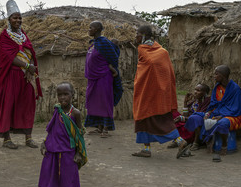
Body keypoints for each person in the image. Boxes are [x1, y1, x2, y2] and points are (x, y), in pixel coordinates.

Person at [0, 0, 42, 149]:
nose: (18, 20)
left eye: (19, 18)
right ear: (9, 19)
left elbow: (29, 51)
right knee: (8, 105)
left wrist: (30, 69)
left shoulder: (24, 36)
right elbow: (8, 57)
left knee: (28, 104)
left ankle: (28, 137)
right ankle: (6, 139)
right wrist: (26, 65)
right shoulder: (4, 36)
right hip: (11, 75)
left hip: (26, 76)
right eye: (15, 18)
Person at [132, 25, 189, 158]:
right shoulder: (163, 51)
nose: (136, 37)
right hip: (160, 92)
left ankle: (180, 141)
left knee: (157, 120)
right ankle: (146, 149)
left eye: (138, 34)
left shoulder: (143, 49)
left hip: (148, 92)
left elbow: (150, 66)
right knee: (145, 119)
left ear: (144, 35)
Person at [38, 82, 87, 187]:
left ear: (73, 95)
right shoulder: (57, 110)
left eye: (66, 94)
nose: (62, 97)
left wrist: (78, 153)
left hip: (67, 153)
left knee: (65, 182)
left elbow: (79, 135)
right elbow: (52, 129)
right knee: (48, 181)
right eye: (60, 95)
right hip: (52, 151)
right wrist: (44, 142)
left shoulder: (75, 113)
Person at [185, 65, 241, 162]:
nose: (214, 76)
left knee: (222, 123)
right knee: (195, 117)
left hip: (232, 115)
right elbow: (213, 104)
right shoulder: (217, 88)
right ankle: (203, 141)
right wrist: (208, 112)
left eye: (216, 74)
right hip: (216, 113)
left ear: (223, 75)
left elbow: (236, 108)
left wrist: (222, 116)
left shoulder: (235, 89)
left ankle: (224, 145)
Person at [84, 21, 123, 138]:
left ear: (96, 29)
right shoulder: (94, 44)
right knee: (94, 102)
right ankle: (99, 127)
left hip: (104, 77)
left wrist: (111, 67)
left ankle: (106, 129)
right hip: (93, 78)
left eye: (90, 27)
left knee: (105, 102)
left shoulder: (104, 42)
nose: (89, 29)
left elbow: (114, 57)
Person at [167, 83, 211, 149]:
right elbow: (185, 115)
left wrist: (182, 118)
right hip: (188, 124)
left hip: (197, 128)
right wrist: (185, 103)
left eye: (198, 90)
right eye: (195, 90)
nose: (195, 92)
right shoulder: (194, 102)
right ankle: (178, 140)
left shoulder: (207, 102)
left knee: (195, 118)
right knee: (173, 114)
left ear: (205, 93)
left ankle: (196, 143)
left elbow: (201, 116)